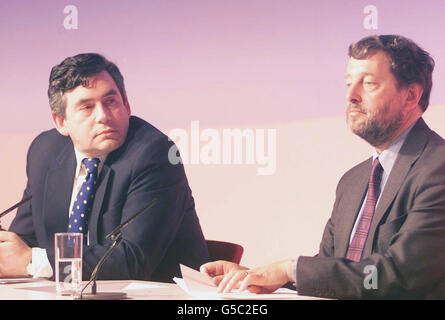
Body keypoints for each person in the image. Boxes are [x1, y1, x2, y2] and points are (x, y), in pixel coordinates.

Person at [201, 34, 445, 299]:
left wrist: (289, 269)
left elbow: (400, 274)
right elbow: (337, 275)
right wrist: (255, 277)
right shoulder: (352, 181)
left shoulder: (437, 168)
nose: (351, 95)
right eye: (349, 83)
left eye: (369, 84)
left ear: (411, 95)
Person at [0, 53, 210, 282]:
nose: (103, 116)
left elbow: (133, 260)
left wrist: (32, 261)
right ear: (61, 122)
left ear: (127, 104)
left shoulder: (155, 155)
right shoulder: (45, 153)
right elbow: (25, 242)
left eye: (110, 101)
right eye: (87, 107)